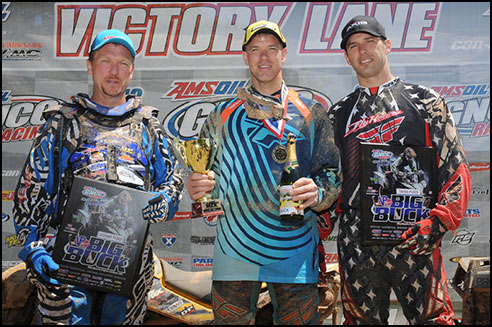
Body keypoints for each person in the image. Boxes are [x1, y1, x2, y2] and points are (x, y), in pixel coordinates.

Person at [13, 29, 184, 325]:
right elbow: (31, 192)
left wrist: (165, 200)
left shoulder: (148, 126)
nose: (114, 71)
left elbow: (173, 181)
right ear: (90, 66)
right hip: (65, 264)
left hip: (129, 266)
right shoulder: (63, 122)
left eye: (122, 63)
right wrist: (32, 249)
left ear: (132, 71)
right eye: (106, 61)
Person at [186, 20, 342, 325]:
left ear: (284, 54)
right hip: (235, 250)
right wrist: (202, 195)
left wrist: (319, 192)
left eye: (272, 49)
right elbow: (207, 185)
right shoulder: (222, 115)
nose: (264, 57)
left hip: (294, 250)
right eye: (255, 50)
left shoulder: (311, 112)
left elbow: (332, 176)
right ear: (245, 57)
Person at [323, 15, 471, 324]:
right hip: (356, 242)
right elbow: (328, 181)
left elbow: (456, 169)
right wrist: (311, 231)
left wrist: (438, 222)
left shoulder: (427, 102)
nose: (363, 51)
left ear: (387, 45)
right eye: (353, 46)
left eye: (370, 42)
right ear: (346, 56)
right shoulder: (337, 114)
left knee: (434, 321)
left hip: (415, 236)